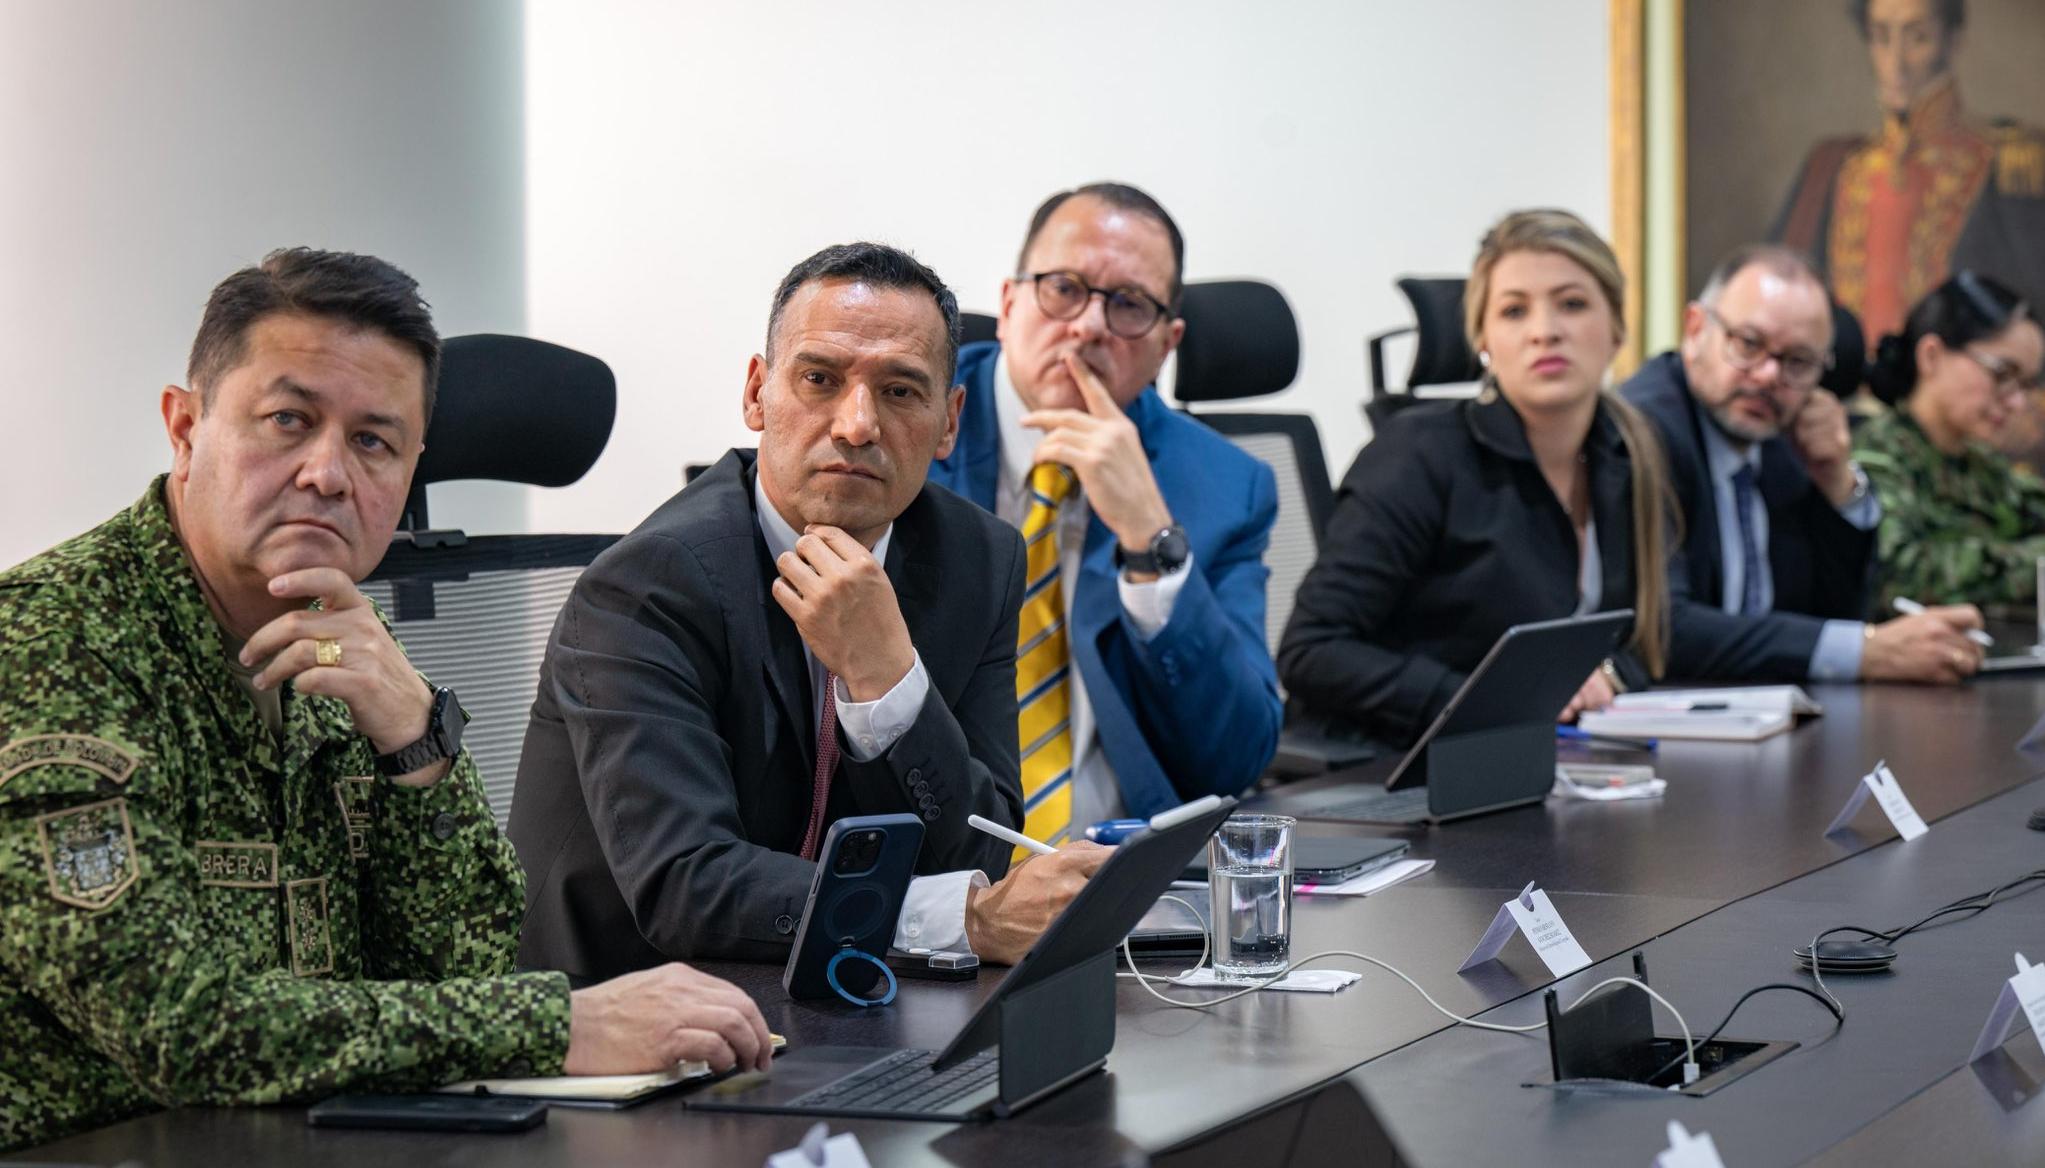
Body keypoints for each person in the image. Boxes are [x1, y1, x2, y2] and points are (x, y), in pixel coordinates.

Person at [0, 249, 771, 1155]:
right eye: (288, 419)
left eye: (373, 441)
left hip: (317, 1139)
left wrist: (417, 743)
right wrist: (559, 1024)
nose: (327, 474)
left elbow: (467, 962)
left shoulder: (344, 635)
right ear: (184, 427)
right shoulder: (52, 644)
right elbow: (176, 1022)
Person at [511, 243, 1108, 983]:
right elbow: (685, 887)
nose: (856, 424)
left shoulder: (978, 560)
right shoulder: (645, 586)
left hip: (852, 999)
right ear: (757, 394)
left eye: (899, 391)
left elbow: (978, 850)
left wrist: (888, 680)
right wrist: (962, 919)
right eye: (820, 379)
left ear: (948, 421)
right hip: (635, 1019)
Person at [927, 182, 1280, 845]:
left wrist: (1152, 543)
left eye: (1128, 305)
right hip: (937, 870)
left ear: (1165, 345)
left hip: (1118, 877)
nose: (1088, 325)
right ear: (1008, 305)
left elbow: (1235, 759)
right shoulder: (909, 431)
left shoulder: (1226, 486)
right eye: (1063, 288)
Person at [1278, 209, 1671, 749]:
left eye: (1573, 304)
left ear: (1618, 328)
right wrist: (1486, 701)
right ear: (1483, 340)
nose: (1545, 331)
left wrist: (1607, 673)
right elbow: (1311, 651)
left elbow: (1642, 638)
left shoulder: (1626, 456)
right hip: (1390, 769)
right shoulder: (1419, 454)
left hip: (1537, 762)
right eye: (1514, 311)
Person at [1621, 245, 1985, 684]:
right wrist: (1866, 651)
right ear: (1696, 330)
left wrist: (1836, 481)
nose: (1769, 376)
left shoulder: (1781, 441)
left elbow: (1833, 611)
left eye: (1798, 361)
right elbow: (1665, 630)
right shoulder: (1644, 430)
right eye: (1749, 344)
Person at [1773, 0, 2045, 345]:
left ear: (1952, 40)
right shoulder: (1832, 167)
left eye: (1918, 38)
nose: (1895, 62)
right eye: (1881, 37)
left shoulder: (2010, 163)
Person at [1856, 271, 2045, 615]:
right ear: (1932, 356)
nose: (2016, 402)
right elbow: (1899, 576)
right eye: (2002, 375)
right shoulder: (1876, 454)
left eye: (2026, 384)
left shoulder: (1983, 466)